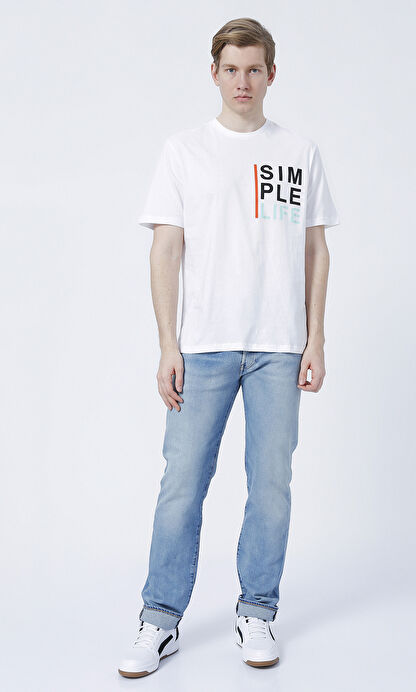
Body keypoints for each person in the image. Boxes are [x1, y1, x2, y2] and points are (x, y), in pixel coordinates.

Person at [118, 17, 339, 677]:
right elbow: (165, 250)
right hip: (204, 346)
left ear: (271, 75)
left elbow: (314, 250)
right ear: (214, 74)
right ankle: (159, 620)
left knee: (271, 486)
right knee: (181, 485)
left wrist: (315, 338)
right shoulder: (184, 151)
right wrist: (168, 344)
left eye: (254, 69)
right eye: (232, 69)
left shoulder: (298, 152)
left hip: (278, 347)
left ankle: (257, 611)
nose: (243, 81)